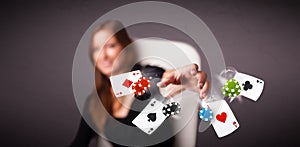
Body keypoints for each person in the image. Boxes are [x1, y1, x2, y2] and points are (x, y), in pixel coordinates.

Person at [70, 20, 209, 147]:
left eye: (110, 45)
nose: (103, 55)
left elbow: (162, 83)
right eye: (96, 49)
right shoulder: (95, 102)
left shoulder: (149, 75)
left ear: (125, 47)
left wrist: (169, 89)